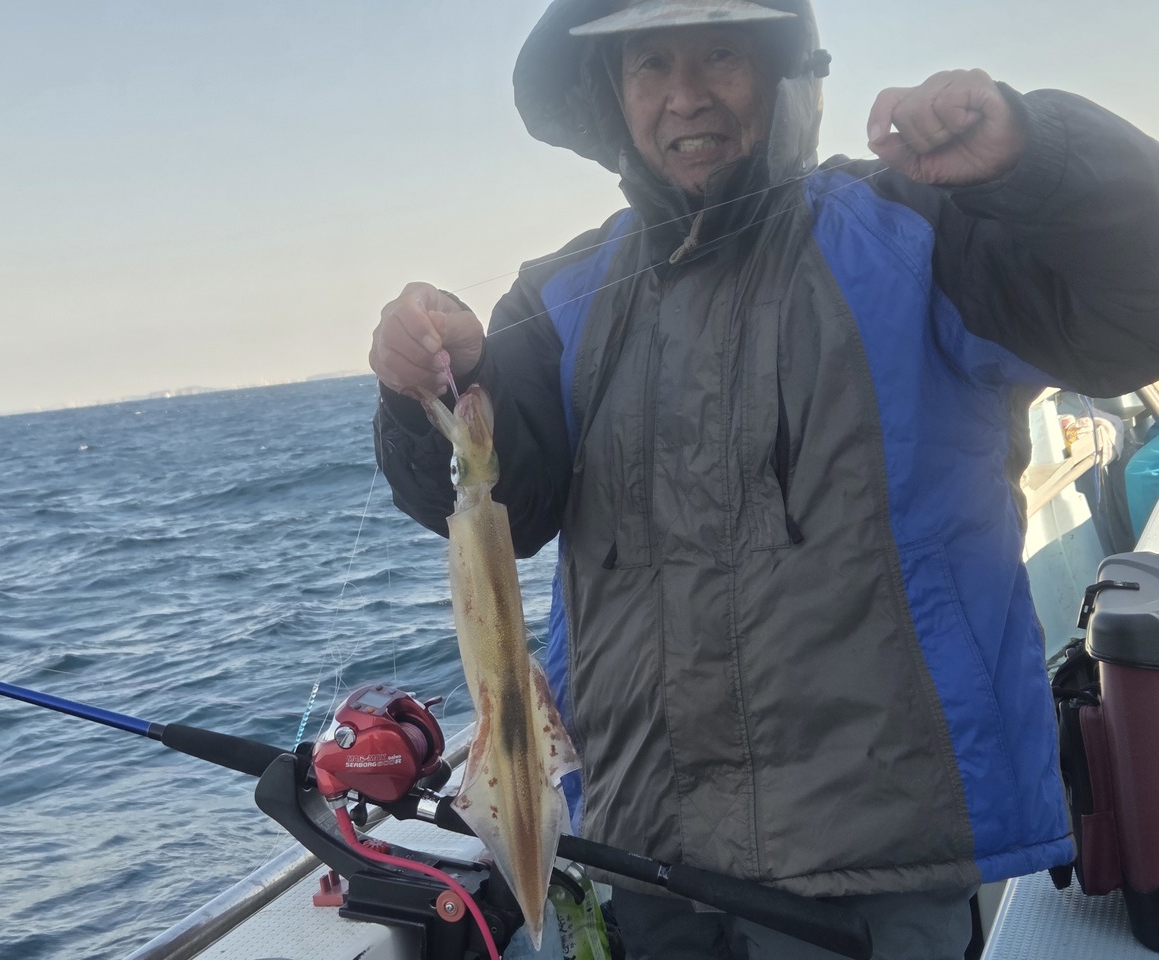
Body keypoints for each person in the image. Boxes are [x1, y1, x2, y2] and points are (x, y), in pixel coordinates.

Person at [368, 1, 1159, 957]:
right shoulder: (558, 294)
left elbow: (1132, 314)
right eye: (650, 63)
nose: (685, 95)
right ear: (611, 92)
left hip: (874, 861)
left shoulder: (915, 228)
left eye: (721, 53)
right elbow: (501, 501)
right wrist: (428, 391)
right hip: (643, 851)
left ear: (784, 71)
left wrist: (1037, 161)